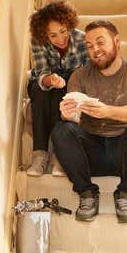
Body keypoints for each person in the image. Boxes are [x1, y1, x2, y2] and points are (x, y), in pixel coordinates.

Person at [52, 20, 127, 223]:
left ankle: (124, 194)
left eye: (100, 42)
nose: (95, 50)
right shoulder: (79, 76)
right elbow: (73, 120)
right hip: (90, 154)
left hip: (123, 153)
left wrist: (107, 112)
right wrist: (68, 114)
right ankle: (86, 193)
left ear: (117, 41)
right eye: (89, 45)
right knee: (62, 130)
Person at [27, 1, 89, 177]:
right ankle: (39, 155)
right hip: (46, 80)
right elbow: (40, 73)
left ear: (69, 24)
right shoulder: (37, 41)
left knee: (63, 94)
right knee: (39, 91)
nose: (61, 39)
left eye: (63, 31)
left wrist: (72, 85)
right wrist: (50, 80)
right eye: (53, 35)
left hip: (73, 81)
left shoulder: (81, 39)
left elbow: (89, 74)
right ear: (44, 35)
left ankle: (59, 156)